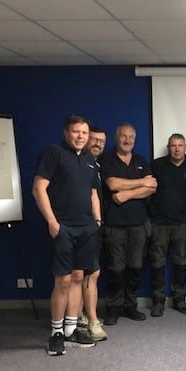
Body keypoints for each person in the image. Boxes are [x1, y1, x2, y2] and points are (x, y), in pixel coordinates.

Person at [32, 114, 99, 355]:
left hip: (87, 228)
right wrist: (52, 222)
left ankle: (71, 330)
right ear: (66, 133)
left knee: (79, 277)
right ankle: (56, 333)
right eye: (76, 131)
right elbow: (38, 188)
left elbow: (93, 193)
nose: (80, 136)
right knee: (63, 280)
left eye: (84, 132)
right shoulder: (54, 153)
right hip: (64, 228)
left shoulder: (90, 160)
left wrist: (97, 222)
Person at [99, 123, 157, 325]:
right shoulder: (106, 159)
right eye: (123, 136)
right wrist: (141, 182)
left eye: (131, 136)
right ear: (117, 138)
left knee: (136, 267)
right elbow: (112, 184)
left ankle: (130, 306)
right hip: (114, 225)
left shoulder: (141, 161)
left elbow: (152, 187)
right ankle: (113, 308)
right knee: (116, 269)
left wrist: (126, 195)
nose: (127, 140)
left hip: (139, 224)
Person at [148, 133, 186, 317]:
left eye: (180, 145)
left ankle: (179, 300)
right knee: (157, 264)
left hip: (182, 224)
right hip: (159, 223)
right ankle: (158, 302)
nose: (177, 149)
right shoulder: (157, 165)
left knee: (181, 264)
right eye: (173, 145)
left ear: (185, 147)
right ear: (168, 147)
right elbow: (148, 190)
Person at [76, 125, 108, 340]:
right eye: (94, 139)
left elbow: (94, 195)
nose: (98, 144)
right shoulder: (75, 162)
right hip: (76, 226)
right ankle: (88, 320)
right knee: (81, 274)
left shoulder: (94, 165)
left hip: (92, 227)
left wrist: (97, 221)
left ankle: (84, 317)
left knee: (90, 273)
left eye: (101, 141)